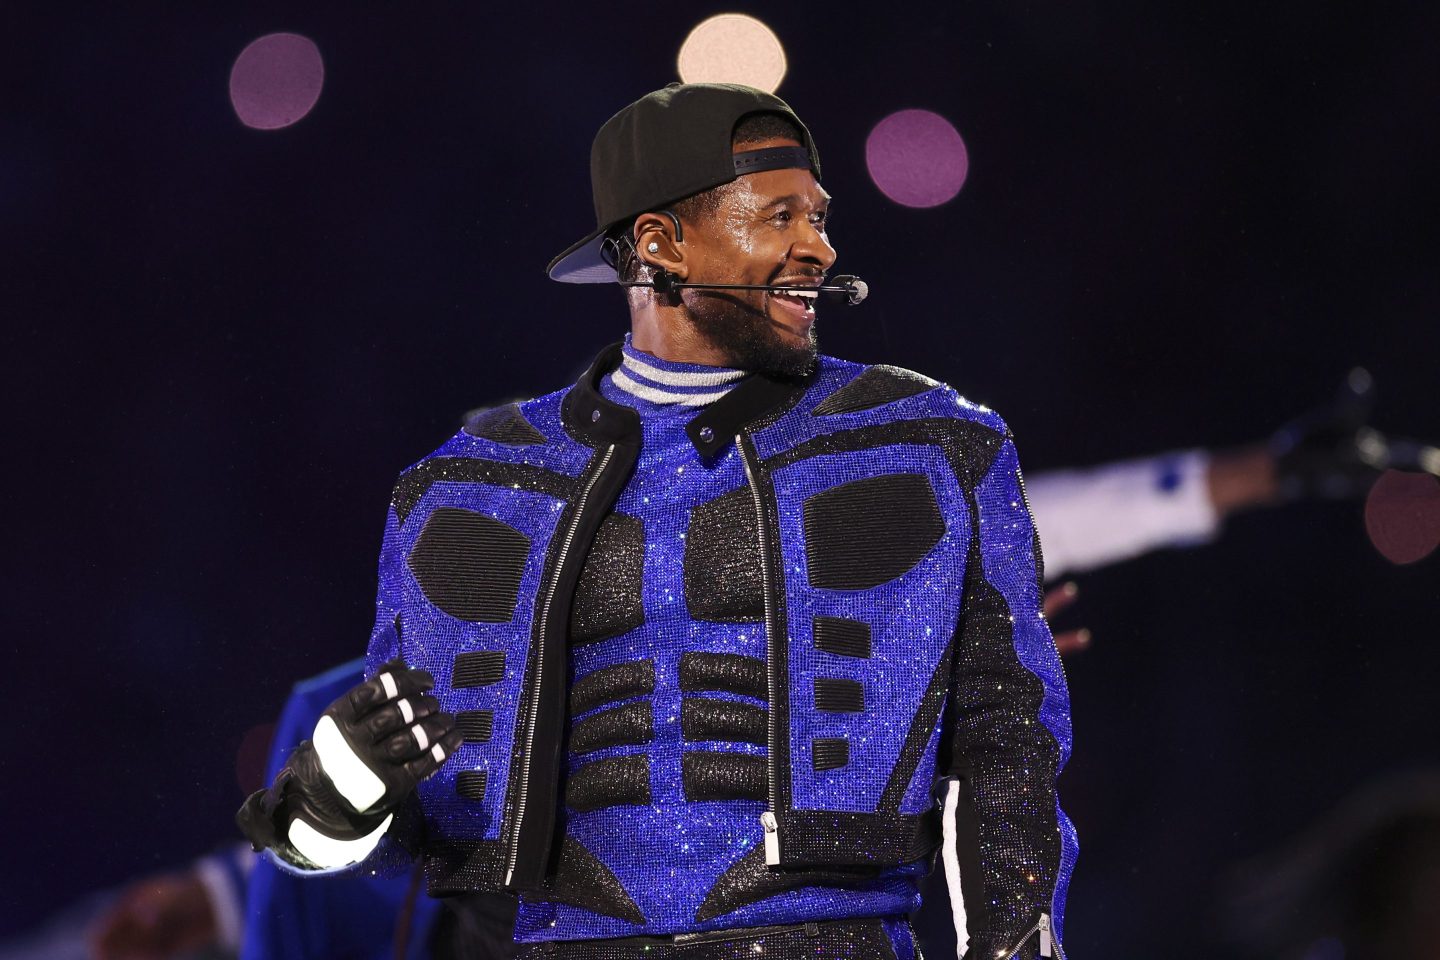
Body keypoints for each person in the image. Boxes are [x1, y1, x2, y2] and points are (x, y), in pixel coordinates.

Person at [237, 81, 1074, 959]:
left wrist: (1019, 945)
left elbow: (1008, 746)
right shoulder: (465, 486)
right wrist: (332, 806)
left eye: (820, 218)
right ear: (660, 244)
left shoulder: (929, 445)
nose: (819, 248)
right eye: (779, 216)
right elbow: (402, 819)